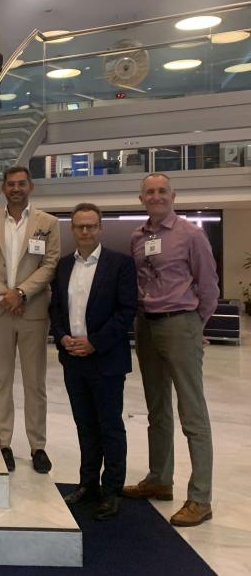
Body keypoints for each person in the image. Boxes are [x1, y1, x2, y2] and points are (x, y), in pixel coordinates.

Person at [123, 173, 219, 527]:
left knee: (192, 412)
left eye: (162, 191)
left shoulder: (191, 234)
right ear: (141, 198)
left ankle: (200, 497)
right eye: (150, 191)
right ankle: (160, 479)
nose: (156, 196)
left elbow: (208, 285)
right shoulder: (137, 237)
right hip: (146, 325)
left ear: (173, 195)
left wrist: (195, 325)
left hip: (181, 322)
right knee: (157, 408)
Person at [49, 203, 137, 521]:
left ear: (100, 228)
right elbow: (55, 309)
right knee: (85, 426)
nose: (85, 232)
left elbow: (126, 311)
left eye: (91, 226)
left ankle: (111, 490)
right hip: (73, 360)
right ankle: (88, 484)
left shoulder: (120, 265)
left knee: (110, 427)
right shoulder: (61, 266)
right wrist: (62, 337)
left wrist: (94, 342)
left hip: (106, 360)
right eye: (79, 227)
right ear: (72, 230)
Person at [0, 165, 60, 474]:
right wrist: (3, 296)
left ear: (31, 187)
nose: (16, 188)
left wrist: (21, 293)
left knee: (35, 383)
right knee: (1, 381)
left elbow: (49, 265)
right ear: (3, 188)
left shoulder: (48, 223)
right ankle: (3, 443)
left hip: (33, 312)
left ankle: (38, 446)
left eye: (22, 183)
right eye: (11, 184)